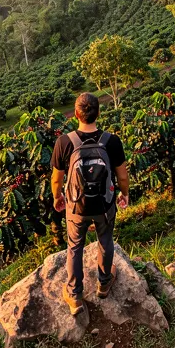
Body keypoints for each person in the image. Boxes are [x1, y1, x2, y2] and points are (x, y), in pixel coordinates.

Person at [50, 93, 129, 314]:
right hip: (105, 205)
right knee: (105, 239)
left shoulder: (64, 142)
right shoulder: (111, 141)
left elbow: (57, 178)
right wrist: (125, 194)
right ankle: (104, 283)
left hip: (76, 207)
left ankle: (75, 296)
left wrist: (58, 197)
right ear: (98, 113)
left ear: (76, 114)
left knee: (75, 246)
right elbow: (122, 176)